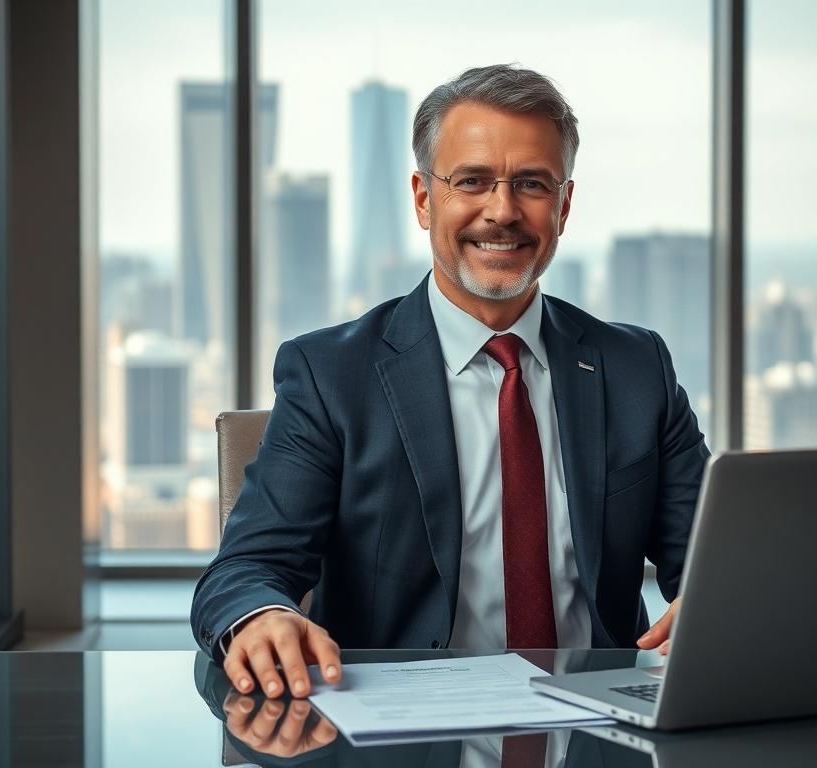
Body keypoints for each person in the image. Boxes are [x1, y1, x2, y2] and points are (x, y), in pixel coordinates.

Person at [191, 64, 710, 701]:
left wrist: (722, 603)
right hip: (402, 728)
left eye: (531, 184)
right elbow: (247, 568)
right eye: (471, 181)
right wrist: (265, 616)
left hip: (598, 725)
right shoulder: (330, 375)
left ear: (565, 205)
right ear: (422, 198)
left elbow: (713, 559)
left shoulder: (637, 368)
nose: (503, 210)